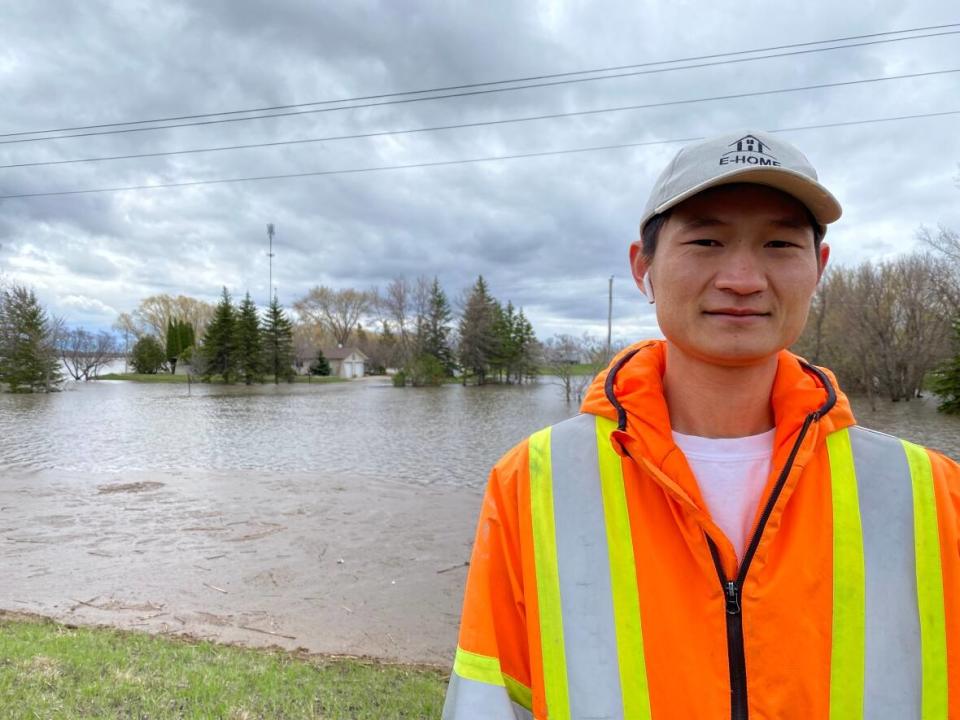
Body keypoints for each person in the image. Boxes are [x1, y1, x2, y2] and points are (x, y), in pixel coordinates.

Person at [442, 130, 960, 719]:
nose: (742, 278)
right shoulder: (531, 485)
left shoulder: (934, 495)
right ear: (644, 268)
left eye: (779, 244)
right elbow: (489, 702)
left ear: (818, 268)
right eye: (707, 240)